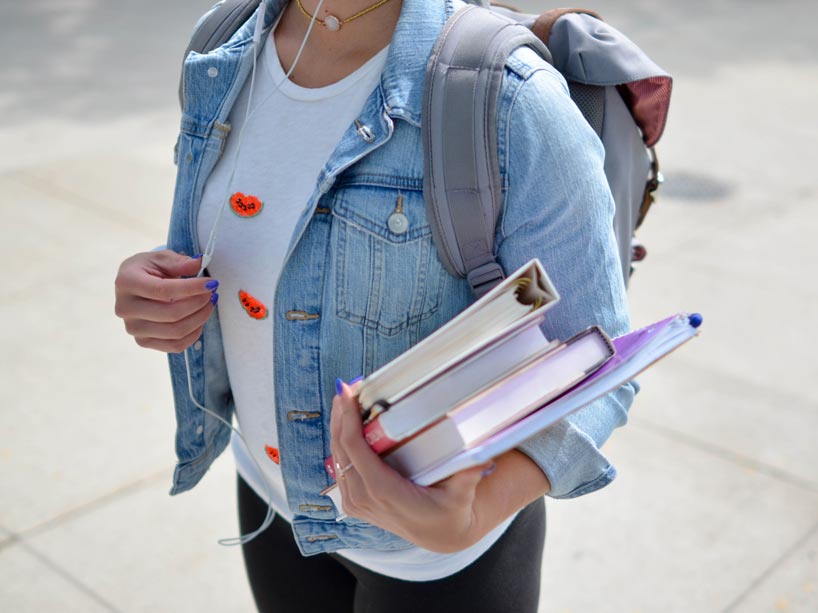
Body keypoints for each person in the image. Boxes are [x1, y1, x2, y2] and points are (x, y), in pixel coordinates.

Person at [114, 0, 636, 610]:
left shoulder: (509, 97)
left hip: (438, 561)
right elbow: (257, 237)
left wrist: (471, 517)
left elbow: (596, 360)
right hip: (270, 496)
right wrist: (158, 285)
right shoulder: (221, 45)